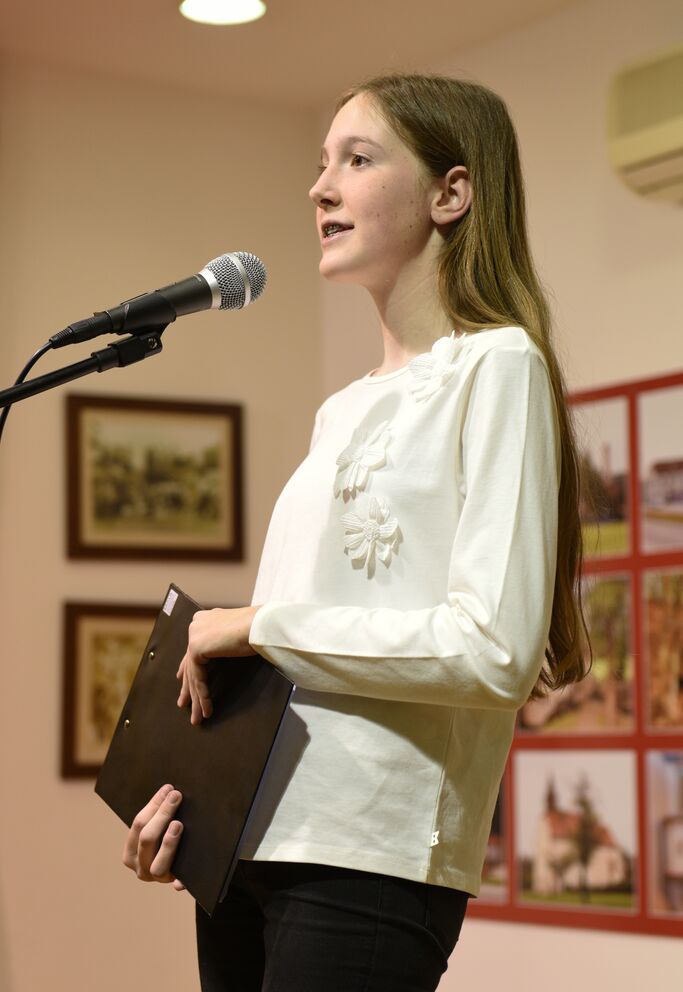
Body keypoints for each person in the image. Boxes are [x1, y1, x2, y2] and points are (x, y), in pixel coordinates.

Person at [122, 73, 590, 990]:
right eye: (321, 162)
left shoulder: (498, 366)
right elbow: (293, 661)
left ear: (451, 193)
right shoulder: (341, 408)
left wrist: (256, 624)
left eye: (358, 159)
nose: (320, 187)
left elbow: (493, 650)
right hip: (248, 847)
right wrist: (192, 808)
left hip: (370, 858)